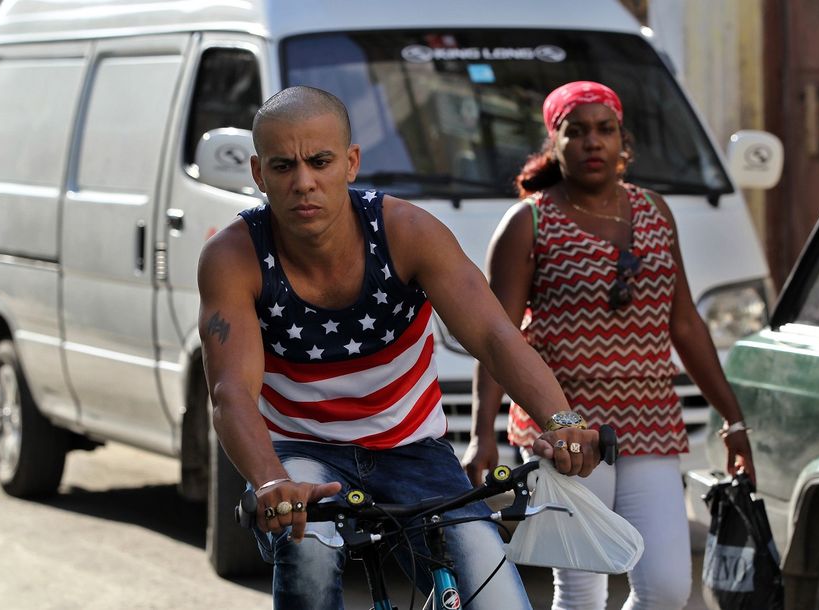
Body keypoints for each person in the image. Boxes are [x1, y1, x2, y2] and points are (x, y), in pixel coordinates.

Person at [196, 85, 603, 610]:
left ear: (351, 162)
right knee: (310, 552)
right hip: (302, 455)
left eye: (320, 161)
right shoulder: (233, 256)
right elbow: (230, 392)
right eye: (282, 166)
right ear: (258, 173)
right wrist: (271, 480)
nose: (303, 183)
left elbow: (495, 336)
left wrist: (562, 422)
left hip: (412, 447)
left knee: (496, 595)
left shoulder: (407, 231)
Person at [462, 80, 757, 610]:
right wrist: (482, 434)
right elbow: (497, 337)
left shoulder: (655, 212)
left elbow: (685, 323)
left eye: (605, 130)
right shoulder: (528, 222)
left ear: (624, 142)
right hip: (565, 428)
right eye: (576, 131)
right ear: (555, 142)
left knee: (666, 588)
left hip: (649, 423)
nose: (592, 142)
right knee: (581, 589)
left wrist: (732, 420)